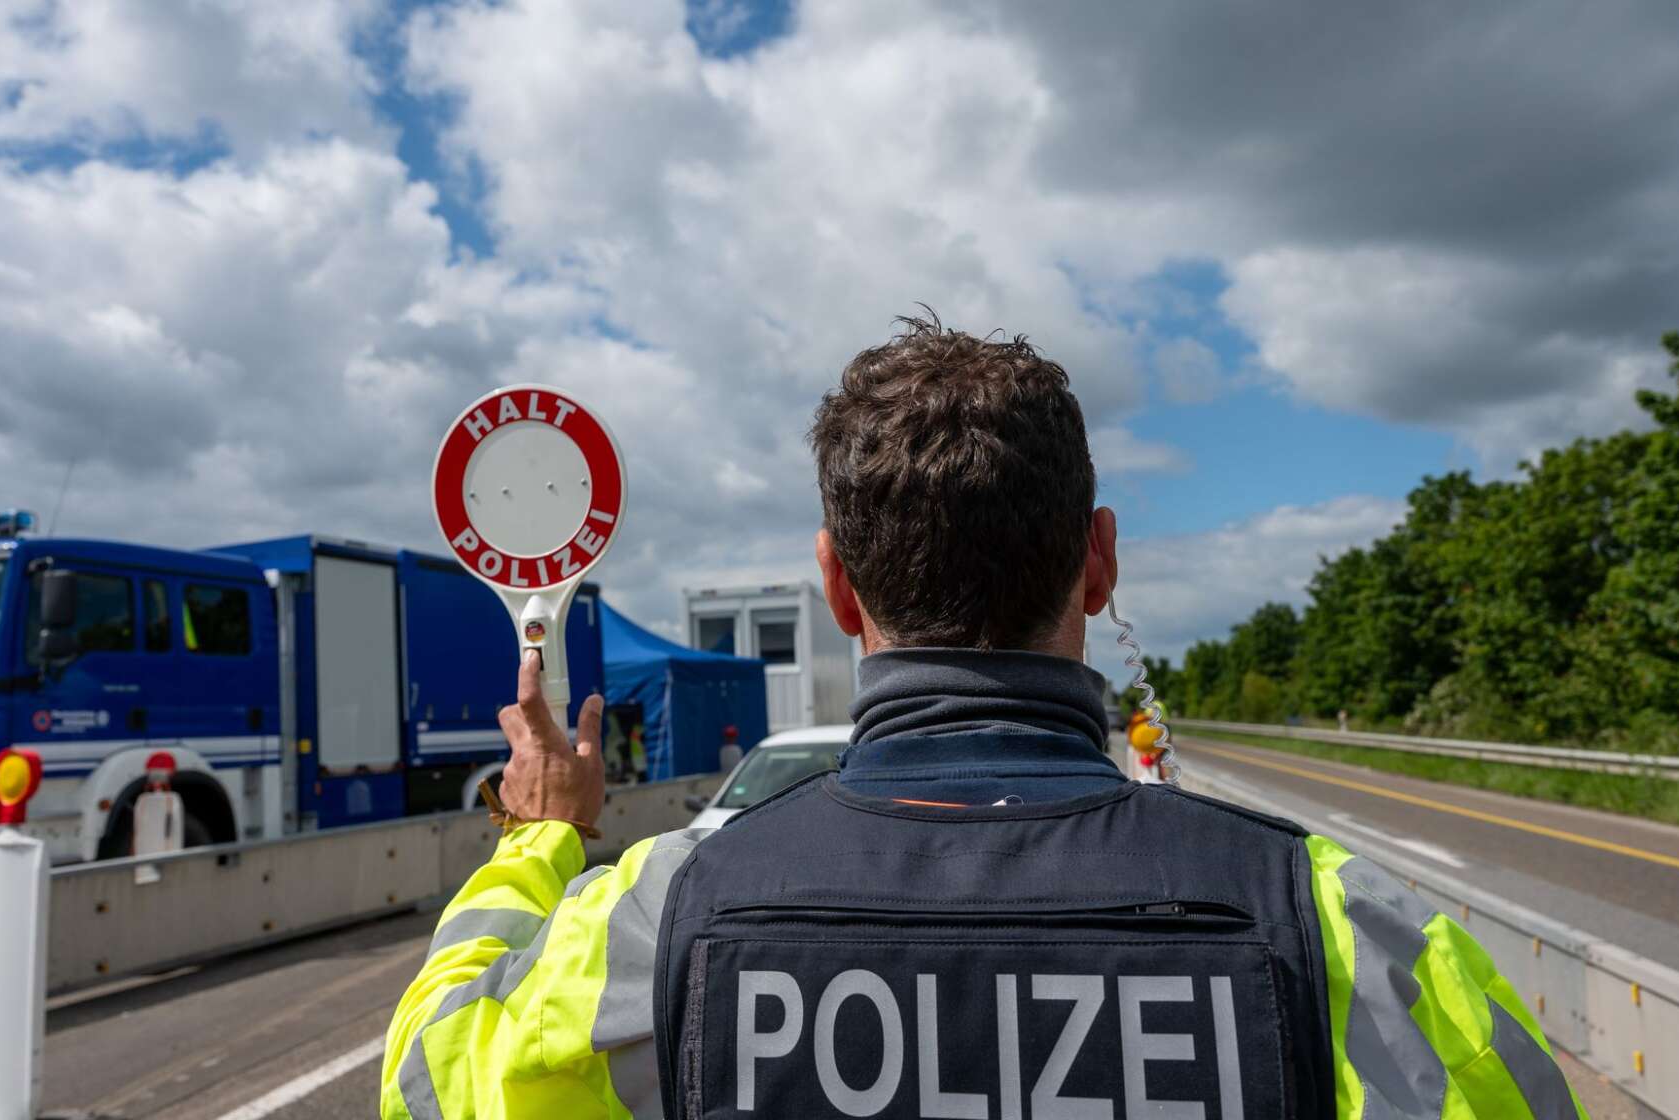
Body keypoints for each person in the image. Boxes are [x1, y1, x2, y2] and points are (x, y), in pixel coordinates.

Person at [380, 317, 1585, 1119]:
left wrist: (535, 839)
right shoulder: (1348, 936)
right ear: (1099, 563)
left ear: (837, 585)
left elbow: (431, 1077)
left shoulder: (665, 924)